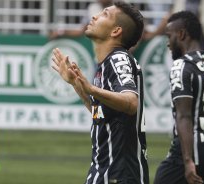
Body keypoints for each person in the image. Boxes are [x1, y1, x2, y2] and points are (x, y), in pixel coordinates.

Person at [52, 1, 149, 184]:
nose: (95, 16)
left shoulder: (118, 59)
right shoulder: (106, 64)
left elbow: (131, 103)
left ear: (116, 31)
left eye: (105, 14)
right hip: (106, 171)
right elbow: (101, 113)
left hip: (117, 175)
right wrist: (77, 85)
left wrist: (91, 88)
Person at [154, 11, 204, 184]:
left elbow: (184, 116)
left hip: (190, 155)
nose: (168, 43)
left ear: (181, 34)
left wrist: (188, 161)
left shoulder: (181, 66)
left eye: (169, 36)